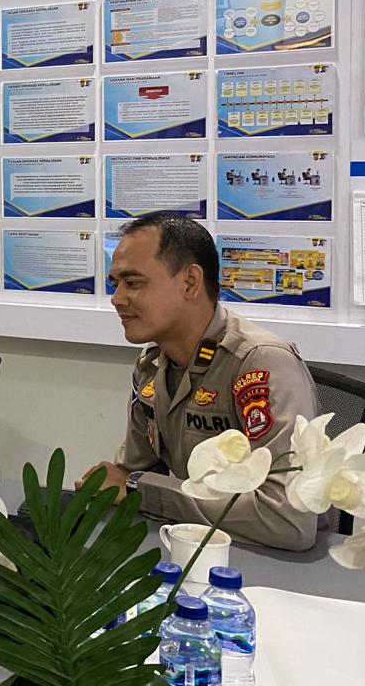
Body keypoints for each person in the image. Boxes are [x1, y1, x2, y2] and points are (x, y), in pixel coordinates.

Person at [80, 212, 321, 551]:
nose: (117, 298)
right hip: (191, 546)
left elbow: (287, 520)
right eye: (115, 284)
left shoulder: (260, 362)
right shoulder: (152, 364)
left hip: (270, 562)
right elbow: (132, 473)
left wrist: (144, 491)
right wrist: (116, 485)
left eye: (133, 283)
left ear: (190, 282)